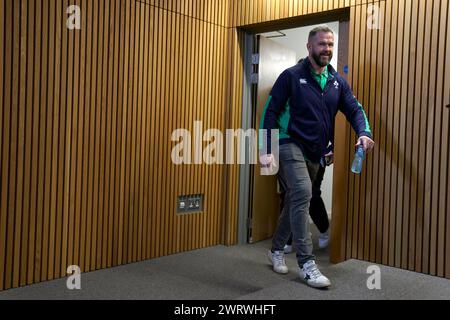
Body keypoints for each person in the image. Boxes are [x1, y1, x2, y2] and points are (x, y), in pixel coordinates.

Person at [259, 25, 374, 288]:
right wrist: (266, 149)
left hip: (316, 150)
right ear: (309, 47)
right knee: (302, 191)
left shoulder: (336, 82)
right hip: (288, 142)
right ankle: (307, 264)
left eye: (331, 44)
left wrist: (364, 132)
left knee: (295, 199)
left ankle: (276, 249)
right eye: (322, 44)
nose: (327, 49)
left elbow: (355, 109)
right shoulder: (291, 76)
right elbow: (270, 112)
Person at [282, 146, 333, 254]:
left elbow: (333, 132)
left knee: (312, 195)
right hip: (289, 154)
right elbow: (267, 130)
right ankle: (287, 240)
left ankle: (323, 228)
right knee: (289, 195)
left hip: (315, 155)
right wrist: (265, 154)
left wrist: (331, 150)